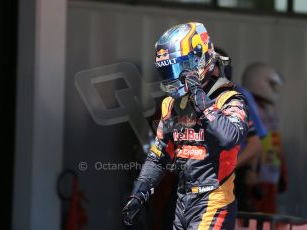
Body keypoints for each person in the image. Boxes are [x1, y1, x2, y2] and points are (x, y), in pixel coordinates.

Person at [122, 22, 250, 229]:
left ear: (199, 60)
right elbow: (159, 155)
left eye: (178, 67)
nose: (173, 76)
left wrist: (198, 96)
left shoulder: (230, 99)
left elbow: (230, 137)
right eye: (167, 70)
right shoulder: (171, 104)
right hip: (182, 201)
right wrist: (139, 192)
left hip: (214, 201)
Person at [214, 47, 267, 211]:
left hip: (232, 172)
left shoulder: (238, 95)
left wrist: (251, 169)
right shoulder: (193, 96)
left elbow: (256, 142)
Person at [242, 63, 287, 213]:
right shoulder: (245, 103)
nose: (275, 90)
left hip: (268, 178)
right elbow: (255, 141)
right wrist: (251, 169)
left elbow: (273, 143)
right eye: (272, 85)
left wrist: (281, 173)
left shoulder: (269, 110)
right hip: (253, 178)